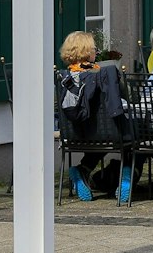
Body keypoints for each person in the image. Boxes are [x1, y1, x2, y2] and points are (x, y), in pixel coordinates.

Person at [57, 30, 132, 204]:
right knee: (133, 133)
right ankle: (127, 174)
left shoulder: (64, 77)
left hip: (75, 134)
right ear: (86, 51)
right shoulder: (103, 74)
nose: (96, 52)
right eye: (94, 49)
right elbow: (124, 100)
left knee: (101, 135)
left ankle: (83, 169)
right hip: (108, 133)